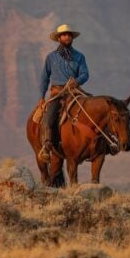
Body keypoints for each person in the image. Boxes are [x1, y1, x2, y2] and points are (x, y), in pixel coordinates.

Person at [38, 24, 89, 162]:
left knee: (92, 109)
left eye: (69, 34)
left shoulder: (79, 56)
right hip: (57, 93)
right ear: (59, 38)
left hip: (74, 91)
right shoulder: (51, 57)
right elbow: (44, 78)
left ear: (72, 37)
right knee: (49, 116)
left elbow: (85, 74)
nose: (67, 36)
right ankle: (47, 145)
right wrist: (42, 97)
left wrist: (77, 81)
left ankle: (102, 144)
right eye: (64, 35)